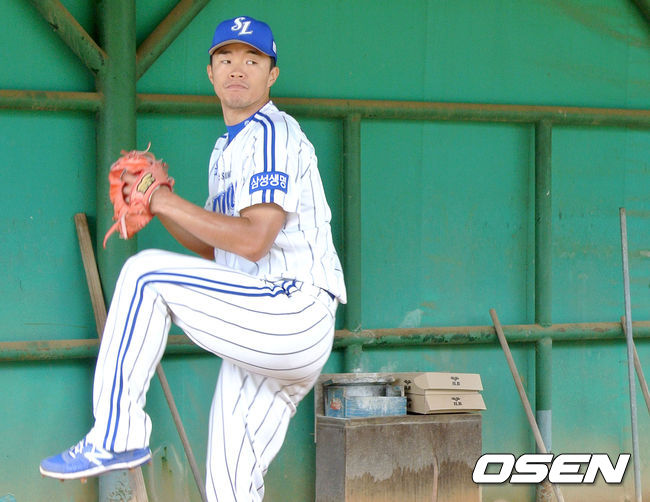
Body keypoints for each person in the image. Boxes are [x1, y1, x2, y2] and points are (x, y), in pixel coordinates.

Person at [40, 15, 346, 501]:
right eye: (226, 58)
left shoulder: (272, 132)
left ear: (272, 74)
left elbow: (254, 240)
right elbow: (216, 245)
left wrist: (161, 199)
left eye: (252, 60)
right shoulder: (226, 150)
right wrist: (160, 205)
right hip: (261, 330)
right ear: (210, 72)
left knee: (144, 274)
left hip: (291, 310)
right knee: (229, 488)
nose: (237, 68)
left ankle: (116, 434)